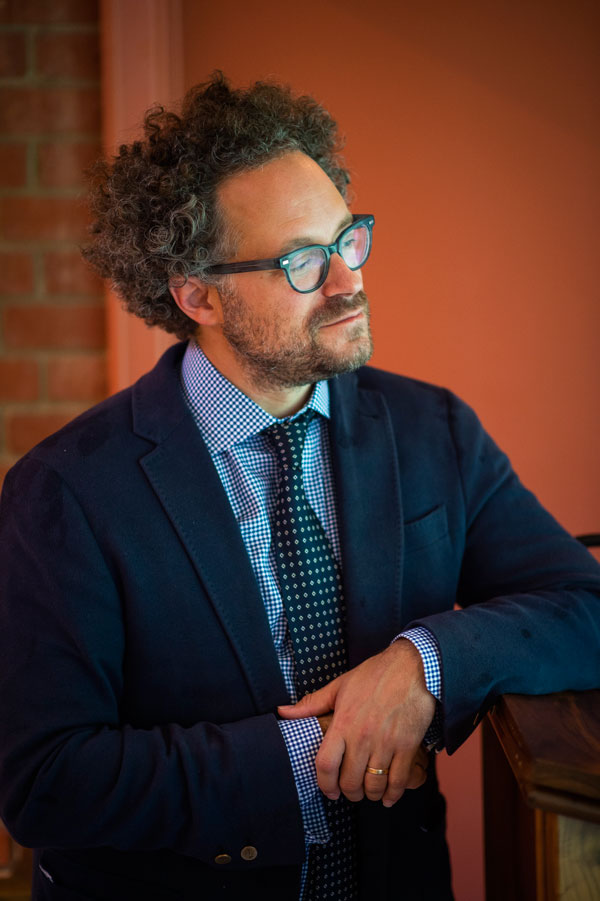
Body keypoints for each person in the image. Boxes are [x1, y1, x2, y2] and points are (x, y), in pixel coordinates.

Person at [0, 72, 598, 901]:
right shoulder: (61, 491)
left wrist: (421, 665)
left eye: (349, 238)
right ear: (198, 294)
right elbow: (46, 779)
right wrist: (312, 753)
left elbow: (585, 606)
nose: (350, 280)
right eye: (303, 262)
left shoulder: (434, 431)